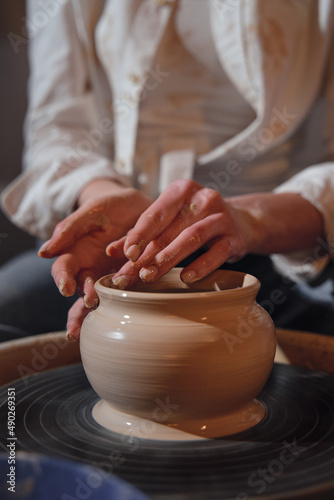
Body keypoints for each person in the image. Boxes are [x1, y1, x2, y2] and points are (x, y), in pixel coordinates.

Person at [1, 0, 334, 341]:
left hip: (284, 244)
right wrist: (103, 198)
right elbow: (57, 131)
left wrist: (252, 220)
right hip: (120, 245)